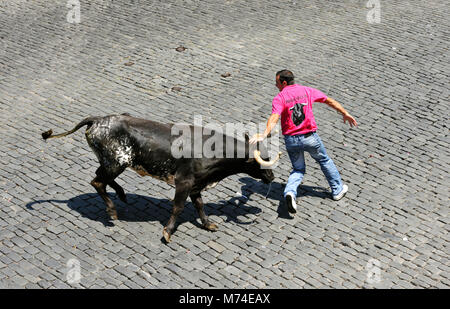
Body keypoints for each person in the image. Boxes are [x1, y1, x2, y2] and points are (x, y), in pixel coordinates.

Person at [250, 69, 357, 214]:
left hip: (292, 140)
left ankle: (290, 192)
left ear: (284, 82)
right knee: (324, 161)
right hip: (310, 138)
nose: (275, 85)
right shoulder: (307, 91)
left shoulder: (280, 98)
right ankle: (337, 190)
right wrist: (345, 113)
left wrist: (263, 135)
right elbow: (328, 101)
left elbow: (274, 117)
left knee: (298, 169)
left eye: (277, 83)